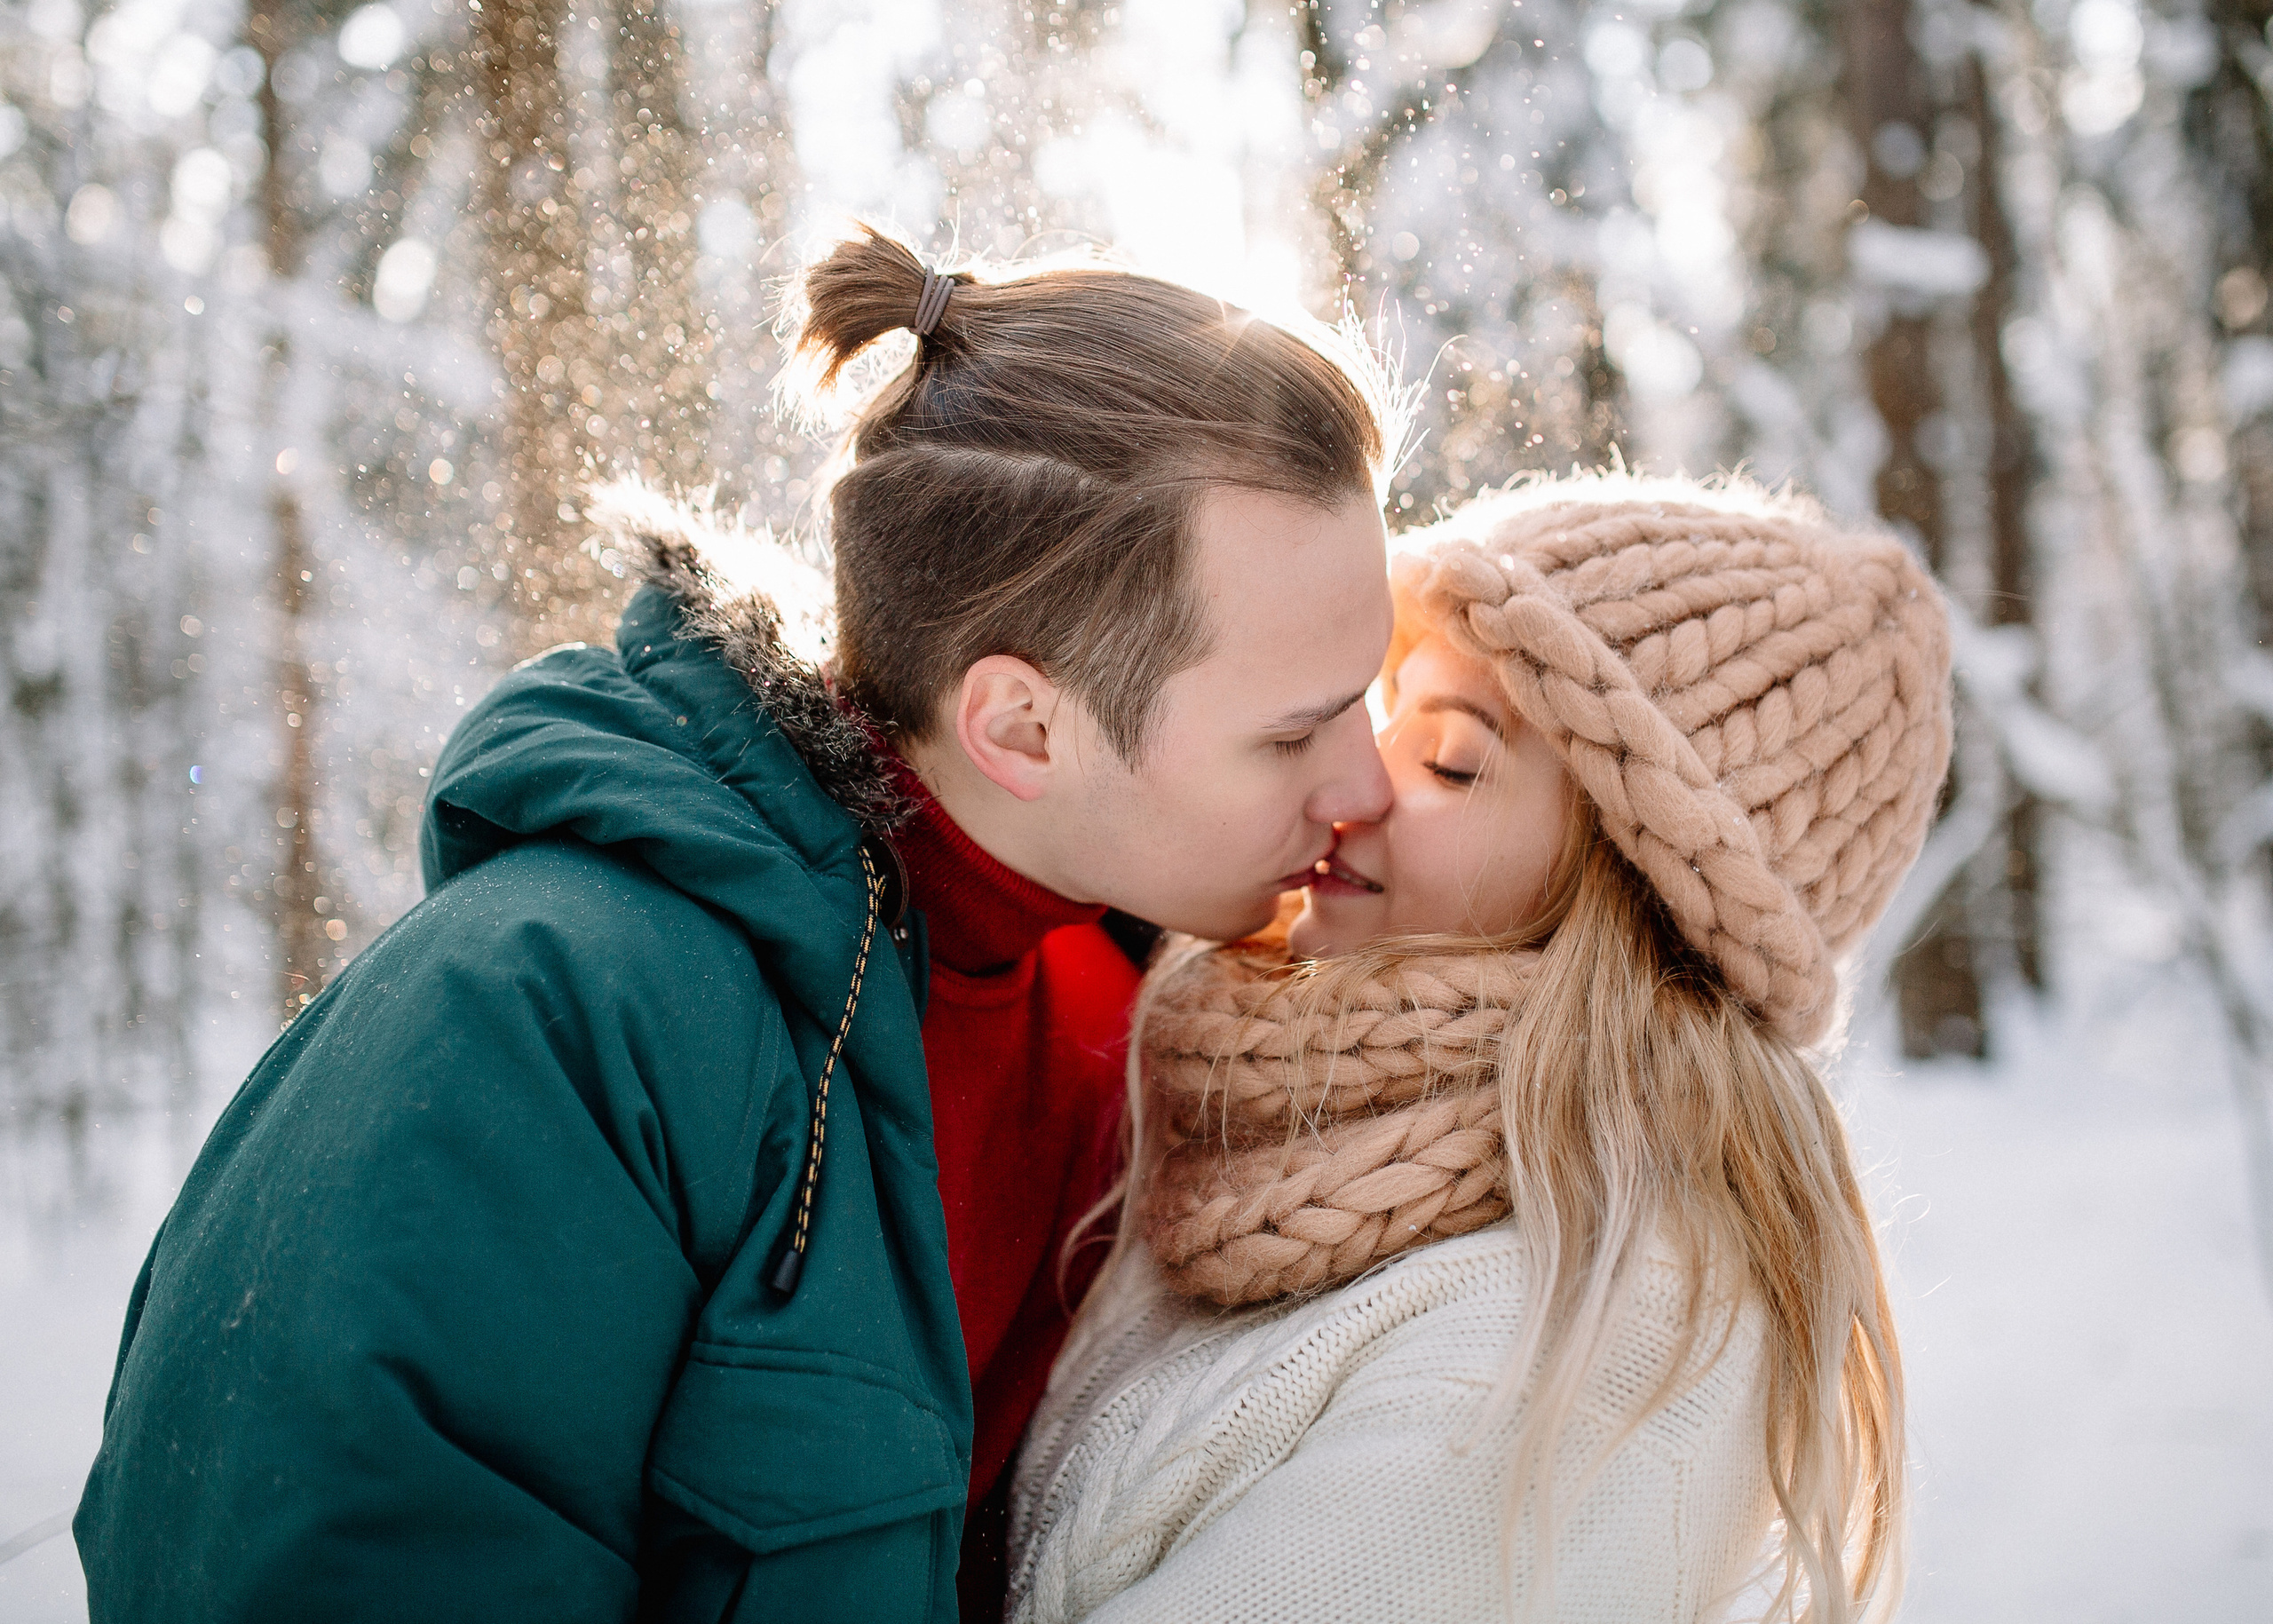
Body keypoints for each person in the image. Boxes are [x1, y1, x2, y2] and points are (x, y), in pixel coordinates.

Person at [74, 229, 1399, 1623]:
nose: (1365, 784)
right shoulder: (542, 1028)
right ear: (1023, 724)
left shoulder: (1134, 1012)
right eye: (1297, 732)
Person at [1008, 475, 1953, 1623]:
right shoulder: (1236, 1099)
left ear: (1623, 898)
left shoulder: (1605, 1332)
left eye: (1451, 760)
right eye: (1385, 706)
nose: (1352, 779)